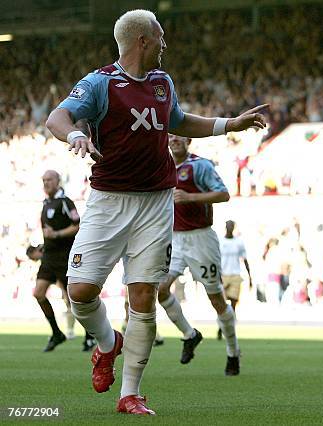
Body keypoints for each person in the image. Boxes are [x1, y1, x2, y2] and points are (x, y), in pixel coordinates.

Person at [45, 9, 266, 415]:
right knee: (80, 291)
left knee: (143, 296)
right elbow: (57, 117)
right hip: (109, 200)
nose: (165, 44)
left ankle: (130, 393)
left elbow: (179, 121)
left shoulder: (163, 83)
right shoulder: (100, 83)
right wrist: (75, 132)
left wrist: (228, 124)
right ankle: (109, 344)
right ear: (143, 40)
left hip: (156, 201)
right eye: (160, 37)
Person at [158, 135, 241, 374]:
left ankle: (233, 351)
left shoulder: (199, 166)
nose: (174, 140)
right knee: (160, 289)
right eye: (170, 136)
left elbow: (223, 194)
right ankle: (189, 334)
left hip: (201, 238)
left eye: (179, 136)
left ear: (188, 140)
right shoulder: (162, 166)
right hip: (174, 239)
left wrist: (191, 197)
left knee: (216, 299)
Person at [33, 170, 95, 352]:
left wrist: (58, 234)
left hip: (66, 257)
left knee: (76, 299)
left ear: (58, 181)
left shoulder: (65, 202)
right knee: (38, 293)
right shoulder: (46, 203)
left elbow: (77, 226)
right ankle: (57, 333)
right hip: (49, 258)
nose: (46, 183)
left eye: (49, 180)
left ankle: (90, 335)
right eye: (43, 180)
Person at [217, 220, 252, 340]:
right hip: (223, 275)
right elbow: (216, 259)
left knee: (233, 304)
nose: (230, 228)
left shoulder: (239, 242)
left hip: (236, 275)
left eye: (232, 226)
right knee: (221, 304)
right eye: (228, 225)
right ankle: (221, 326)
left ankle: (229, 329)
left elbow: (245, 259)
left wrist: (250, 277)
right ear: (225, 227)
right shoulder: (220, 242)